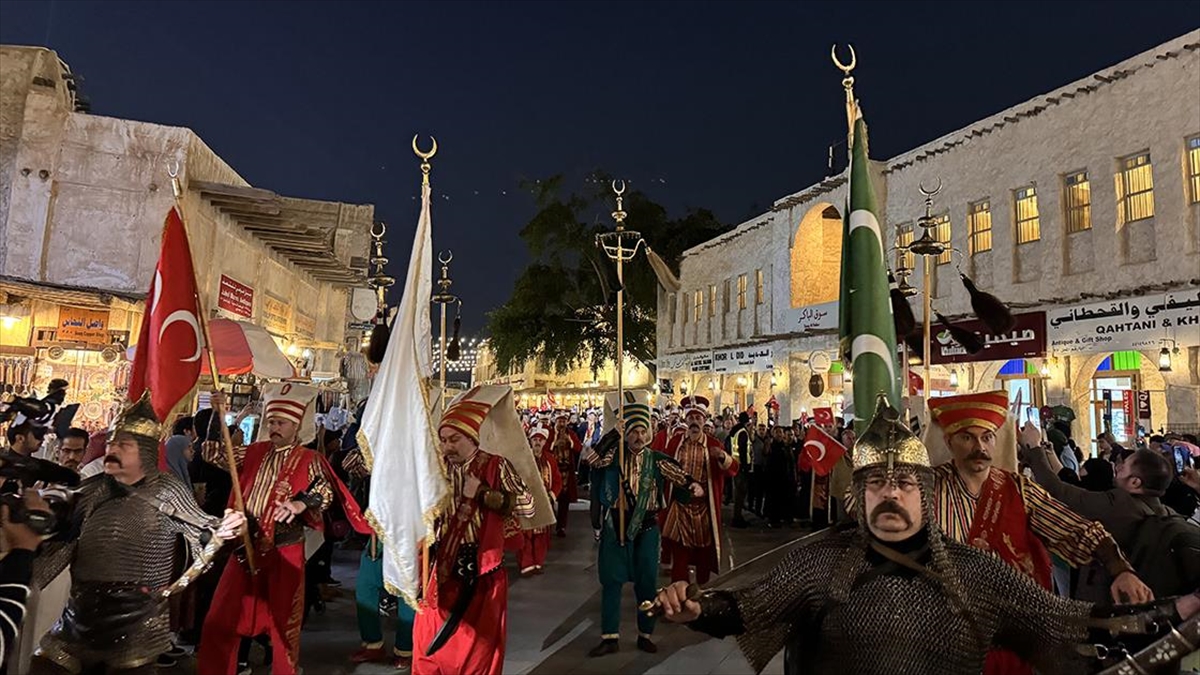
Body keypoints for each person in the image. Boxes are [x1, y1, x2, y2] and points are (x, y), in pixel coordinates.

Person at [654, 395, 1200, 675]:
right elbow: (754, 607)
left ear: (923, 493)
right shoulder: (829, 562)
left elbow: (1068, 623)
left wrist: (1177, 613)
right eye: (877, 485)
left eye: (903, 485)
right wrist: (699, 608)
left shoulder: (979, 570)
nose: (891, 495)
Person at [926, 391, 1152, 675]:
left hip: (1013, 633)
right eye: (967, 438)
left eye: (987, 437)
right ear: (949, 442)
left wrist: (1121, 569)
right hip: (946, 632)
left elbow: (1076, 530)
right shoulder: (927, 488)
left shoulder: (1018, 489)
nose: (979, 447)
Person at [29, 394, 245, 675]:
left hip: (137, 620)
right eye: (111, 443)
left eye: (123, 445)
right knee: (45, 666)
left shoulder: (168, 491)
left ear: (144, 451)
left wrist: (226, 529)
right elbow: (59, 547)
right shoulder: (92, 490)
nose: (112, 450)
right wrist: (25, 575)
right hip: (80, 615)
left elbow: (202, 532)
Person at [197, 384, 370, 675]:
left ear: (296, 426)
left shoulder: (310, 458)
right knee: (221, 618)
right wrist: (217, 414)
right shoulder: (254, 452)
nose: (274, 428)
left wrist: (301, 503)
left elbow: (324, 491)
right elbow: (213, 452)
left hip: (284, 551)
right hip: (245, 548)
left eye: (281, 423)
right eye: (272, 422)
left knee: (283, 625)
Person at [412, 392, 541, 675]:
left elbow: (528, 506)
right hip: (439, 571)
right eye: (443, 440)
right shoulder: (436, 469)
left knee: (477, 654)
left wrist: (482, 493)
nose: (447, 446)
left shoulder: (495, 465)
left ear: (472, 438)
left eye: (454, 439)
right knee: (428, 647)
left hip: (481, 574)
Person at [585, 392, 703, 657]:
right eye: (633, 432)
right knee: (611, 582)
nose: (639, 436)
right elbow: (592, 460)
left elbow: (679, 476)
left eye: (642, 431)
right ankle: (610, 637)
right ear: (626, 434)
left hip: (647, 528)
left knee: (647, 583)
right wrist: (613, 434)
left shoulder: (656, 459)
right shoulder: (614, 455)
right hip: (616, 526)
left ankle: (645, 634)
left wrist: (692, 486)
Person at [1024, 432, 1200, 597]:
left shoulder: (1120, 504)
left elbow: (1057, 491)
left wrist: (1034, 447)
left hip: (1109, 598)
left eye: (1124, 467)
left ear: (1135, 482)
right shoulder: (1167, 513)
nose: (1118, 467)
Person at [661, 395, 738, 585]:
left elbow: (733, 469)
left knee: (704, 553)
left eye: (698, 418)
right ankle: (680, 590)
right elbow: (664, 465)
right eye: (691, 418)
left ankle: (702, 592)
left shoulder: (714, 444)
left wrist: (722, 457)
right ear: (686, 420)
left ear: (704, 420)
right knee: (679, 551)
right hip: (678, 505)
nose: (694, 422)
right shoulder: (676, 442)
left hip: (703, 509)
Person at [520, 427, 562, 577]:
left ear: (545, 442)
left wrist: (552, 496)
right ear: (530, 441)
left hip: (544, 502)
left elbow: (557, 480)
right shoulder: (523, 459)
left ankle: (538, 562)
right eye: (535, 439)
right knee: (526, 533)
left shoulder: (550, 459)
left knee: (541, 535)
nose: (537, 442)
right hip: (526, 502)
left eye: (540, 440)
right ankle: (526, 564)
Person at [547, 411, 582, 538]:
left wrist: (570, 442)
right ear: (555, 422)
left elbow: (578, 448)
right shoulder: (550, 433)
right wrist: (553, 444)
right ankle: (548, 525)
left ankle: (561, 526)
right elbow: (545, 449)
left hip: (566, 471)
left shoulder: (571, 434)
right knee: (549, 498)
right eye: (559, 421)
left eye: (564, 421)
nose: (562, 424)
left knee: (564, 500)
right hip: (551, 471)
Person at [728, 413, 752, 528]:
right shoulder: (742, 432)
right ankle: (737, 518)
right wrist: (745, 467)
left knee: (738, 492)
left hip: (735, 464)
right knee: (740, 493)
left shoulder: (735, 431)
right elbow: (742, 450)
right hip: (741, 466)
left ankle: (737, 516)